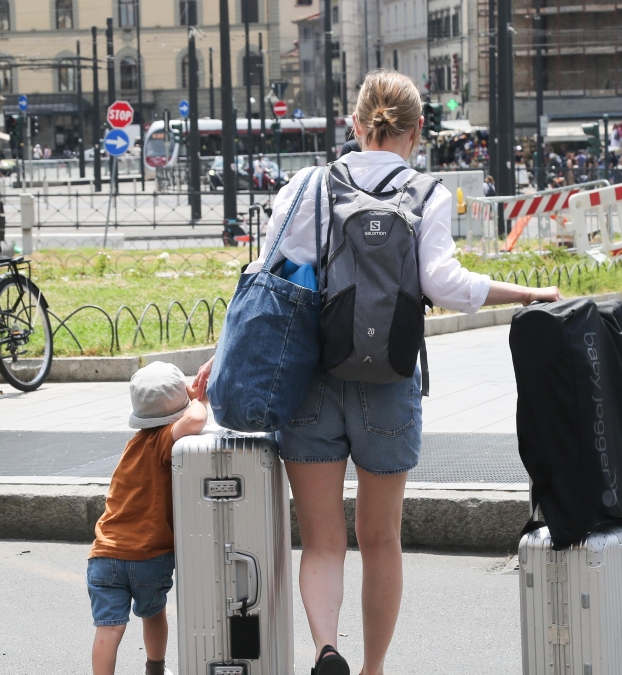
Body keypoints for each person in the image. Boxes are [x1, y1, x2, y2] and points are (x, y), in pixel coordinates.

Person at [193, 69, 560, 675]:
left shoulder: (308, 187)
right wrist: (525, 292)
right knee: (381, 538)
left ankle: (326, 648)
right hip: (389, 384)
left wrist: (222, 353)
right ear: (417, 132)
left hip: (310, 380)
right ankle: (374, 669)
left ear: (356, 125)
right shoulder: (427, 194)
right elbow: (446, 284)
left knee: (322, 540)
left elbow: (267, 281)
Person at [87, 362, 208, 675]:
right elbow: (196, 419)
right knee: (153, 612)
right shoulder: (163, 440)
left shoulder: (134, 445)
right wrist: (199, 399)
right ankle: (155, 668)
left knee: (108, 629)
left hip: (104, 554)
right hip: (147, 555)